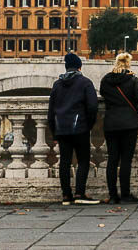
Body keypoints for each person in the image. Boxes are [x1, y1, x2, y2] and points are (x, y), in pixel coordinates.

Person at [47, 52, 99, 205]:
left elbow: (51, 112)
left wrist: (54, 131)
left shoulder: (57, 85)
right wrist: (89, 124)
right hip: (80, 127)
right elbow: (92, 106)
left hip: (62, 128)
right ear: (79, 67)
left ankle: (66, 196)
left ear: (66, 67)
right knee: (83, 160)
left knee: (65, 161)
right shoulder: (85, 83)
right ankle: (79, 194)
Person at [99, 52, 138, 204]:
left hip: (111, 123)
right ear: (128, 64)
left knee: (112, 159)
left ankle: (113, 196)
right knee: (126, 160)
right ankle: (125, 195)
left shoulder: (106, 79)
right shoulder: (132, 79)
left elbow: (103, 93)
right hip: (128, 124)